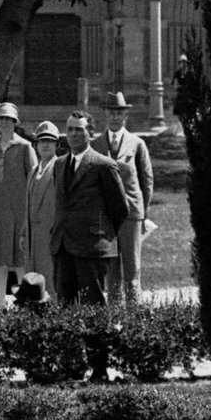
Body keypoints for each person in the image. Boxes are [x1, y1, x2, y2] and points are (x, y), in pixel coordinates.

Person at [51, 119, 130, 319]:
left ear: (91, 133)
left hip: (92, 247)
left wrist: (100, 233)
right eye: (69, 129)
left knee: (93, 308)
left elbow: (120, 208)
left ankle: (99, 350)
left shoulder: (103, 165)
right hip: (63, 245)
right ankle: (71, 351)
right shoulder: (59, 164)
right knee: (65, 309)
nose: (74, 134)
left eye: (79, 129)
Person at [93, 91, 156, 314]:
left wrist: (142, 211)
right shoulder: (97, 144)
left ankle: (134, 317)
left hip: (131, 214)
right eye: (111, 113)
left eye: (119, 113)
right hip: (107, 215)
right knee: (111, 269)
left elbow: (146, 181)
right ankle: (115, 317)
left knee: (132, 268)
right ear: (105, 116)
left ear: (125, 117)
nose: (115, 117)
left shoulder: (136, 144)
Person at [0, 103, 35, 309]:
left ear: (15, 122)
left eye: (8, 119)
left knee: (20, 259)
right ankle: (0, 303)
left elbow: (33, 177)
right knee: (0, 258)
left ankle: (25, 301)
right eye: (1, 119)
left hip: (20, 209)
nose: (4, 123)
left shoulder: (24, 147)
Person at [23, 121, 65, 298]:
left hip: (51, 234)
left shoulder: (60, 168)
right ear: (36, 145)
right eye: (41, 141)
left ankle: (53, 316)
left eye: (50, 141)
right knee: (33, 280)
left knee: (50, 278)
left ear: (56, 144)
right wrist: (24, 232)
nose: (45, 145)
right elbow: (27, 205)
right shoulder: (33, 170)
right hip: (33, 236)